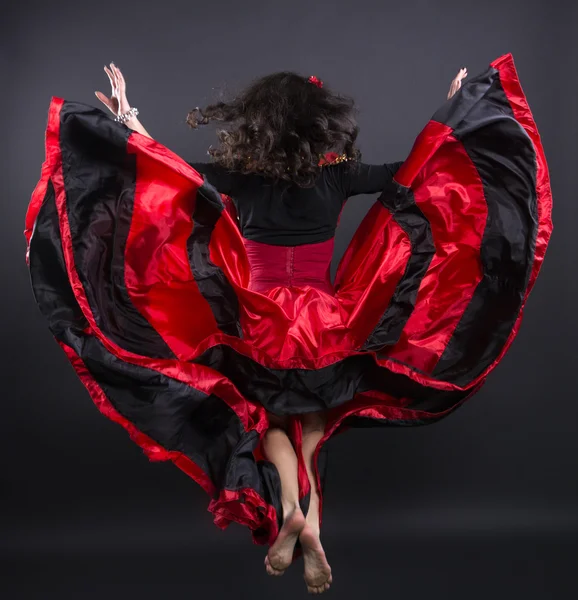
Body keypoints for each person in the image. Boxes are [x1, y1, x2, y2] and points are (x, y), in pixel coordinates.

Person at [25, 56, 551, 596]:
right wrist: (453, 109)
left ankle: (291, 511)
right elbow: (416, 169)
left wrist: (129, 119)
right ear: (318, 122)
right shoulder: (339, 173)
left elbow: (168, 171)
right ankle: (311, 523)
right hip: (326, 324)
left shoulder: (243, 177)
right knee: (315, 427)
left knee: (271, 425)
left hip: (261, 323)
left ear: (261, 123)